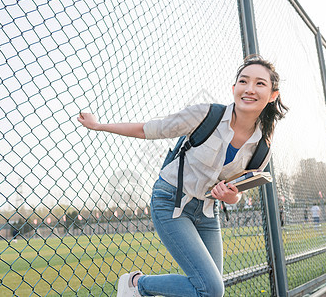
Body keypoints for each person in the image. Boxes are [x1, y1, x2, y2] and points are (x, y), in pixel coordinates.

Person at [78, 55, 288, 297]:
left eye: (260, 83)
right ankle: (137, 285)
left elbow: (236, 192)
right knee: (210, 289)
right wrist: (99, 125)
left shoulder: (262, 147)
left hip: (208, 212)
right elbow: (149, 129)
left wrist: (230, 197)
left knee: (208, 293)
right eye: (243, 81)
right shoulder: (207, 115)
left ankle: (139, 287)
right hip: (170, 202)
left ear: (273, 95)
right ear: (234, 89)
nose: (249, 89)